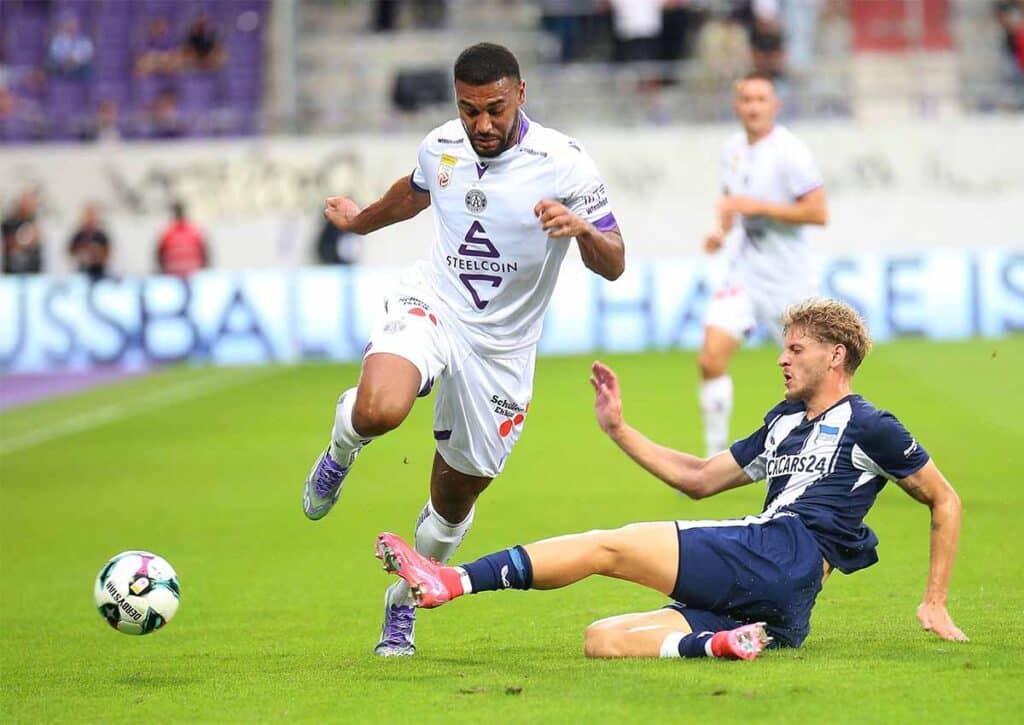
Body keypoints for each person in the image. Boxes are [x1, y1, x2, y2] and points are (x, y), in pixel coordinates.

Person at [375, 298, 968, 661]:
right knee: (601, 639)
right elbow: (701, 478)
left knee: (612, 545)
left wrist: (935, 601)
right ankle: (720, 644)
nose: (782, 359)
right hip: (781, 606)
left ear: (835, 356)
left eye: (796, 349)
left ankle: (451, 580)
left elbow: (944, 499)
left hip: (785, 550)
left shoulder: (870, 424)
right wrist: (620, 430)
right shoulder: (784, 422)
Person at [305, 42, 625, 657]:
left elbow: (614, 263)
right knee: (380, 409)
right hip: (435, 304)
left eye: (494, 110)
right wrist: (359, 222)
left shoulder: (564, 163)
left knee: (453, 500)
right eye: (468, 109)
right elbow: (417, 190)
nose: (481, 124)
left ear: (521, 95)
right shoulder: (441, 144)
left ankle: (403, 605)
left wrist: (582, 229)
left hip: (502, 350)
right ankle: (343, 446)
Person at [697, 70, 828, 456]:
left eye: (761, 100)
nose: (753, 107)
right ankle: (714, 454)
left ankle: (826, 452)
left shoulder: (791, 152)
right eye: (747, 100)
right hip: (744, 271)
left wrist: (760, 208)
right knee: (710, 359)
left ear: (775, 106)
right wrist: (719, 232)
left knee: (812, 380)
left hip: (789, 279)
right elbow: (730, 202)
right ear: (737, 106)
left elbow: (818, 212)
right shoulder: (733, 149)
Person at [157, 201, 208, 277]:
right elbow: (205, 254)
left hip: (173, 275)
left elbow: (159, 256)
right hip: (193, 274)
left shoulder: (167, 233)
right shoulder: (194, 231)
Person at [2, 189, 44, 275]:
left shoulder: (36, 223)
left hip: (33, 274)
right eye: (27, 203)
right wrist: (25, 240)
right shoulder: (9, 223)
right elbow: (8, 245)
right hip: (12, 274)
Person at [67, 203, 111, 280]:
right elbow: (70, 250)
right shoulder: (79, 234)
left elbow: (107, 253)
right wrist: (81, 252)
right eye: (87, 215)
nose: (89, 219)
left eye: (91, 215)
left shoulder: (101, 235)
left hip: (98, 273)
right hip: (81, 272)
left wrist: (97, 253)